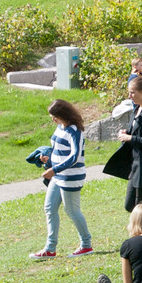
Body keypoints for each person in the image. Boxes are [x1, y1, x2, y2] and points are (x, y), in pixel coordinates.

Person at [29, 99, 92, 259]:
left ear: (63, 114)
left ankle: (86, 245)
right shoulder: (60, 127)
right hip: (57, 176)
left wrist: (54, 169)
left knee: (72, 210)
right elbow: (58, 149)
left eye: (55, 116)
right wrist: (48, 159)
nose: (53, 119)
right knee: (49, 208)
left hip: (70, 177)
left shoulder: (75, 131)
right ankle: (50, 248)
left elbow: (75, 156)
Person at [104, 76, 142, 212]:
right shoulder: (137, 110)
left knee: (140, 207)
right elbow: (136, 131)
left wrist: (130, 138)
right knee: (130, 206)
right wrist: (126, 132)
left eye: (132, 92)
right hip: (136, 165)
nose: (130, 96)